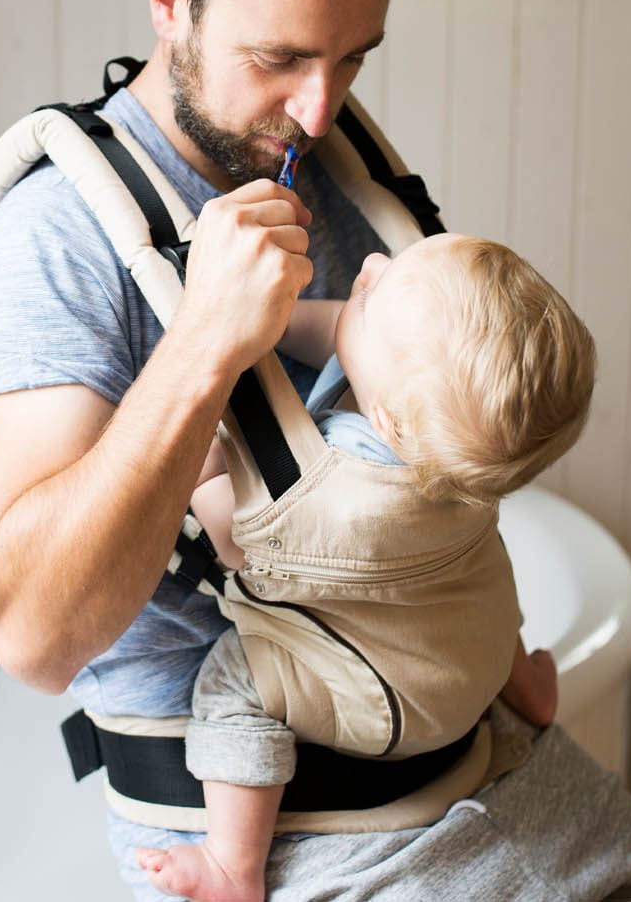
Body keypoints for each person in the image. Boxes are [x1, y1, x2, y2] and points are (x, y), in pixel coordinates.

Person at [0, 0, 631, 901]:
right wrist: (200, 350)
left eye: (354, 58)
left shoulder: (332, 160)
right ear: (168, 0)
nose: (318, 111)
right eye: (279, 59)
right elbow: (32, 642)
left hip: (486, 762)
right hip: (280, 836)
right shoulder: (60, 239)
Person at [135, 233, 590, 902]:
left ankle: (234, 864)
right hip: (474, 663)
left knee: (234, 679)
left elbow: (225, 530)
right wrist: (274, 319)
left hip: (390, 707)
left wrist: (207, 421)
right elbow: (345, 335)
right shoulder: (456, 449)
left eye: (374, 290)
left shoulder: (322, 497)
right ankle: (529, 690)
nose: (369, 266)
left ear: (381, 417)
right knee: (479, 582)